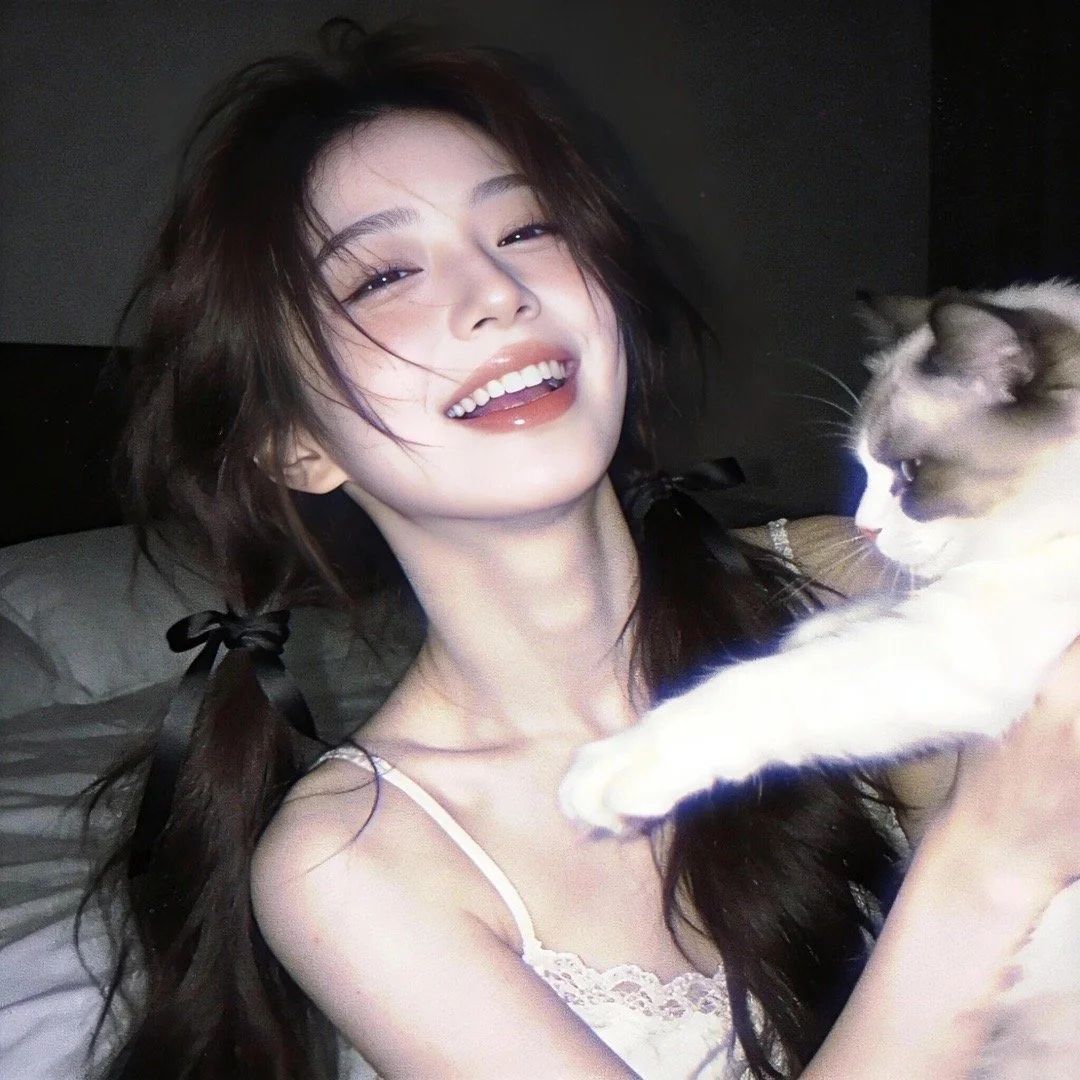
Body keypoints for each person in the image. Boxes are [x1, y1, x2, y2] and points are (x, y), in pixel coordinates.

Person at [78, 20, 1080, 1080]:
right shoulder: (353, 862)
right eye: (382, 277)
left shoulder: (842, 585)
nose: (497, 293)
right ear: (295, 442)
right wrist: (990, 857)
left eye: (525, 231)